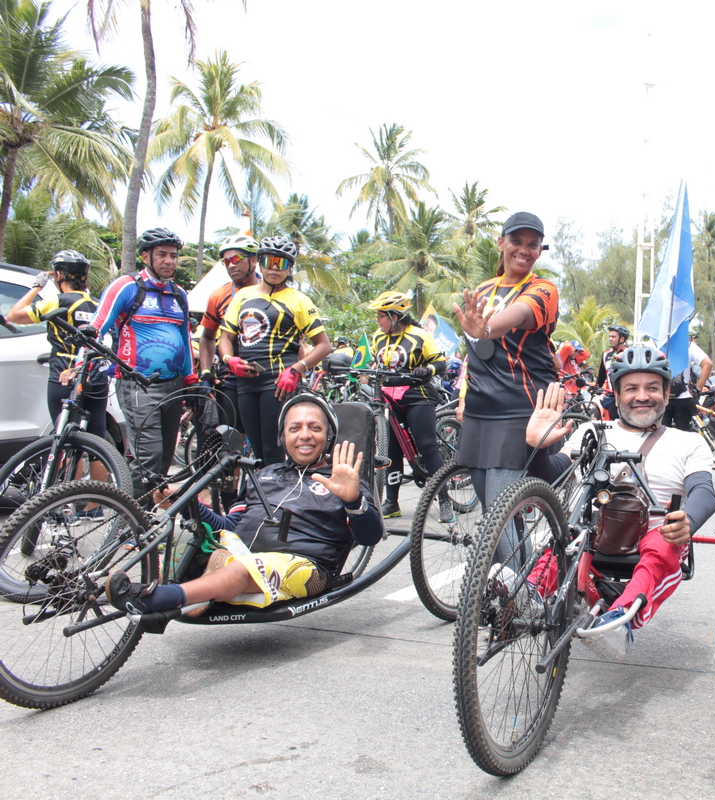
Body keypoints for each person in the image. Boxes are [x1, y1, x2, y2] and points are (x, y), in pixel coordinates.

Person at [521, 346, 715, 659]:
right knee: (565, 537)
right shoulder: (591, 431)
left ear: (667, 394)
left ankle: (620, 617)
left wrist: (688, 521)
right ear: (616, 394)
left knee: (665, 539)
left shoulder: (688, 441)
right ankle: (526, 596)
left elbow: (704, 492)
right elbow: (551, 474)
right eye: (631, 388)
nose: (642, 396)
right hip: (591, 533)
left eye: (652, 388)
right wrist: (536, 447)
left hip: (655, 535)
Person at [104, 393, 383, 617]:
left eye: (315, 428)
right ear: (282, 437)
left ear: (330, 436)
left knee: (245, 567)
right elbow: (229, 527)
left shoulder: (342, 478)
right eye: (295, 428)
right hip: (240, 551)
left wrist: (352, 499)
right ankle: (204, 587)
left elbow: (370, 536)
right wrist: (188, 502)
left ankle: (159, 598)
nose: (305, 435)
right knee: (184, 540)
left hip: (305, 568)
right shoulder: (264, 475)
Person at [452, 211, 559, 515]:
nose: (524, 250)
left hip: (518, 411)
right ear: (501, 243)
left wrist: (487, 329)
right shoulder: (483, 290)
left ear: (539, 250)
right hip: (478, 411)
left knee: (501, 519)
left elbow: (520, 313)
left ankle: (517, 549)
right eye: (516, 241)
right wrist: (463, 398)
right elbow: (472, 354)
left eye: (533, 244)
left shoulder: (543, 289)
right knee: (491, 514)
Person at [91, 228, 197, 497]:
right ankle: (130, 519)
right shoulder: (127, 286)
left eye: (173, 255)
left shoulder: (178, 294)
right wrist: (84, 361)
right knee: (148, 456)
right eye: (162, 254)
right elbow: (97, 327)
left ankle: (149, 516)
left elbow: (185, 337)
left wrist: (190, 379)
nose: (169, 261)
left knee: (165, 457)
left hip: (174, 385)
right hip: (138, 383)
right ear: (145, 256)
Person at [218, 235, 332, 466]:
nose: (275, 268)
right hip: (246, 383)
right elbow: (226, 338)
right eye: (270, 261)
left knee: (274, 451)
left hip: (279, 384)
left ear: (290, 268)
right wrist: (229, 360)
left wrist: (296, 369)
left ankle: (277, 489)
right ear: (259, 262)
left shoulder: (298, 300)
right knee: (257, 451)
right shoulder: (242, 296)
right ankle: (263, 489)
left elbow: (324, 345)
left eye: (282, 263)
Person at [7, 250, 110, 483]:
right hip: (95, 374)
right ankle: (95, 501)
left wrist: (36, 287)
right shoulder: (97, 304)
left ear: (59, 275)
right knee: (98, 440)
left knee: (66, 438)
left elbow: (14, 315)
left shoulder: (58, 301)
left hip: (64, 374)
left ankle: (66, 498)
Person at [364, 290, 451, 520]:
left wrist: (427, 369)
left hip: (417, 396)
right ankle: (391, 502)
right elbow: (377, 362)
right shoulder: (378, 337)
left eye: (381, 316)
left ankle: (444, 500)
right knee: (391, 449)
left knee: (427, 446)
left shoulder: (419, 335)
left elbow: (441, 363)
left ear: (394, 317)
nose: (377, 320)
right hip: (388, 397)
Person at [197, 234, 261, 439]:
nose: (231, 265)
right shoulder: (218, 296)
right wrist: (206, 371)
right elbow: (207, 337)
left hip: (266, 374)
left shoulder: (275, 292)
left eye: (236, 259)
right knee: (233, 438)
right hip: (231, 376)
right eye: (226, 261)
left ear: (254, 260)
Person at [662, 334, 713, 431]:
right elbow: (708, 364)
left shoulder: (656, 344)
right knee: (684, 435)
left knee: (661, 435)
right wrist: (698, 388)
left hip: (661, 396)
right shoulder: (689, 346)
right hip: (683, 397)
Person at [595, 323, 630, 418]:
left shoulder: (629, 353)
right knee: (614, 423)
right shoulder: (606, 354)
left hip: (627, 396)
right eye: (610, 336)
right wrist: (596, 387)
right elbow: (602, 375)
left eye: (613, 337)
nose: (610, 339)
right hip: (612, 397)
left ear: (622, 339)